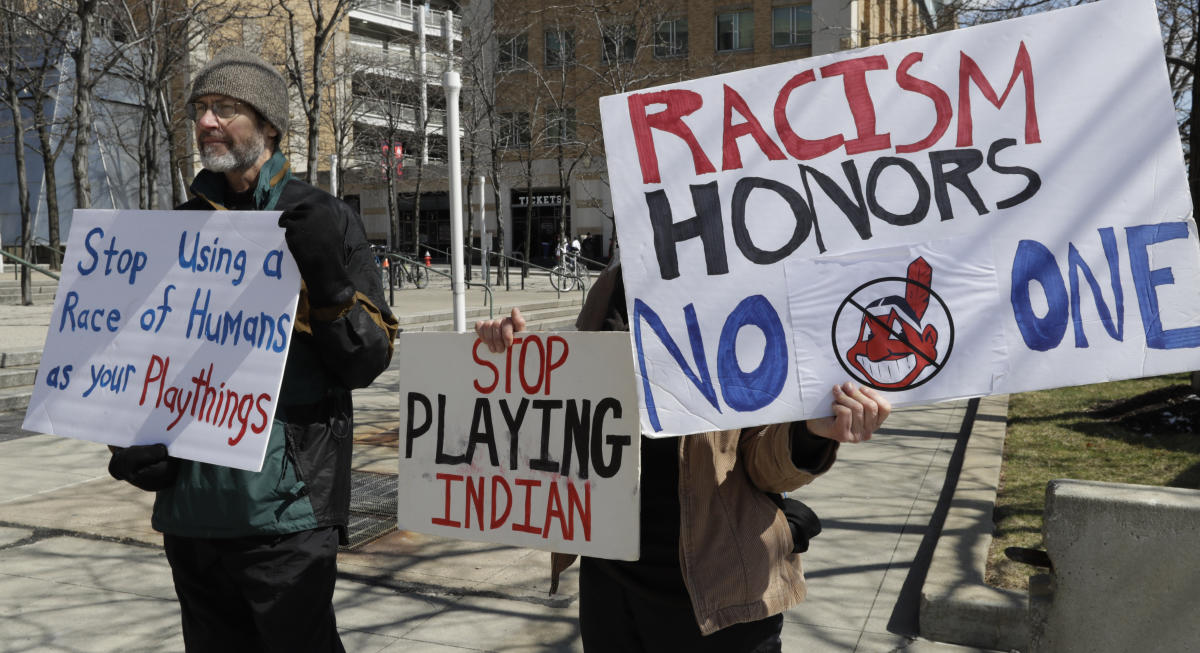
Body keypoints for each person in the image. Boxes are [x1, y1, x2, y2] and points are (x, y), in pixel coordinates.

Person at [105, 46, 399, 652]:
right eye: (201, 109)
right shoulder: (180, 226)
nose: (207, 122)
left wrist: (328, 279)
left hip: (285, 510)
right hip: (191, 512)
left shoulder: (323, 217)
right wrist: (125, 441)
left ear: (268, 125)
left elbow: (367, 361)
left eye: (225, 109)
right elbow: (132, 359)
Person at [474, 261, 890, 653]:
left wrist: (811, 433)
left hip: (720, 594)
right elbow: (568, 412)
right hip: (611, 587)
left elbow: (765, 466)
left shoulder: (752, 289)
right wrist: (512, 357)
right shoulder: (615, 285)